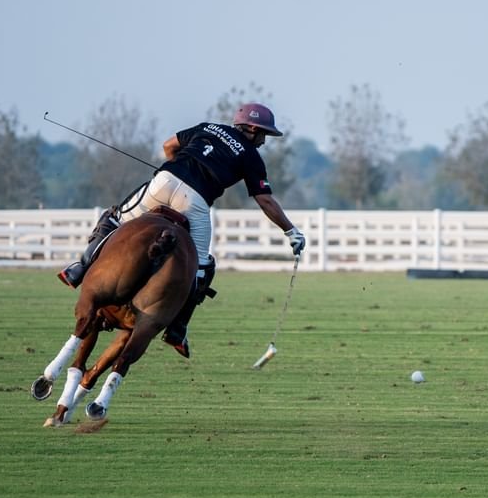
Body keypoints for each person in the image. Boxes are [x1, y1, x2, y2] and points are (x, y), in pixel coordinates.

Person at [58, 103, 306, 357]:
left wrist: (179, 167)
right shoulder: (252, 157)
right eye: (264, 134)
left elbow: (168, 146)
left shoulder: (208, 127)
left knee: (114, 221)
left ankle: (79, 268)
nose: (264, 141)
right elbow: (264, 199)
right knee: (202, 266)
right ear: (252, 128)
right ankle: (177, 328)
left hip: (163, 183)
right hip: (195, 201)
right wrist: (290, 231)